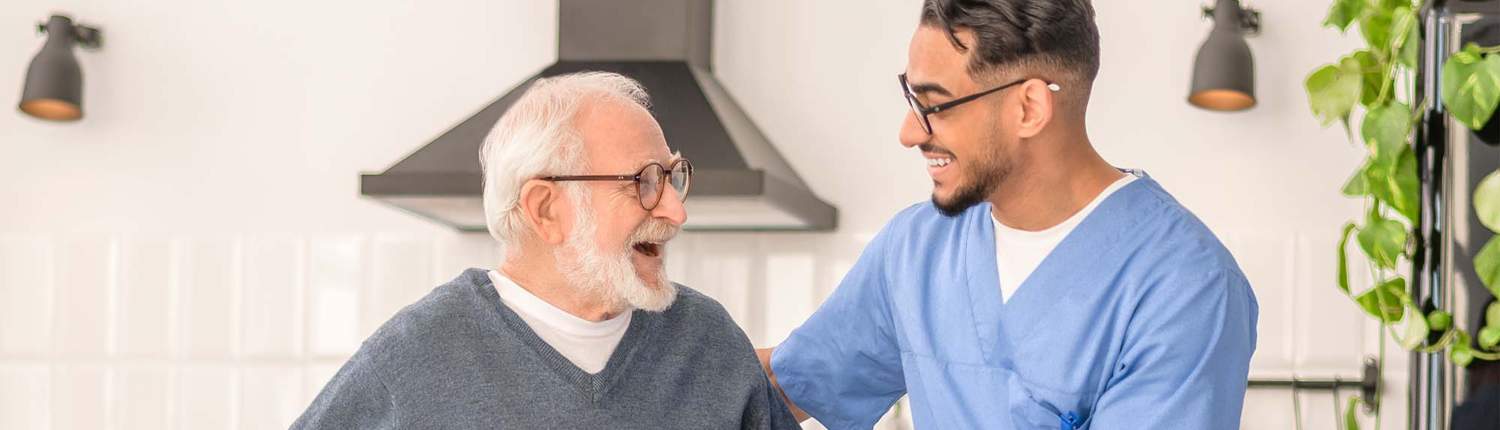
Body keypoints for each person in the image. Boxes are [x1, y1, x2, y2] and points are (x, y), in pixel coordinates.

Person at [758, 1, 1259, 428]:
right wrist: (681, 339)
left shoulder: (1187, 287)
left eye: (936, 104)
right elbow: (788, 382)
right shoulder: (918, 248)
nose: (909, 133)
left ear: (1029, 108)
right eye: (911, 97)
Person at [295, 71, 798, 429]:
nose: (674, 210)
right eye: (644, 181)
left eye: (674, 177)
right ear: (546, 209)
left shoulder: (708, 340)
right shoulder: (415, 357)